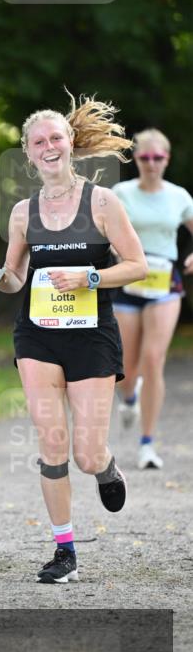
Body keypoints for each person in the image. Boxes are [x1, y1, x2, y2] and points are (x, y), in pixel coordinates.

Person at [0, 92, 147, 584]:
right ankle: (65, 550)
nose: (49, 146)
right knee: (52, 443)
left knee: (86, 453)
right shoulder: (22, 213)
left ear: (70, 143)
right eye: (39, 142)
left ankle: (106, 469)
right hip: (37, 334)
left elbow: (137, 265)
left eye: (56, 137)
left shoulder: (102, 201)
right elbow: (15, 276)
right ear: (29, 154)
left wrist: (92, 279)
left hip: (92, 335)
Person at [112, 129, 193, 469]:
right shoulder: (120, 193)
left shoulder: (179, 197)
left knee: (154, 358)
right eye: (145, 157)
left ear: (167, 159)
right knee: (128, 367)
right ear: (136, 160)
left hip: (164, 283)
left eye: (158, 158)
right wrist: (118, 254)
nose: (151, 164)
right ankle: (129, 397)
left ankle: (147, 444)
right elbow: (106, 231)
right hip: (129, 282)